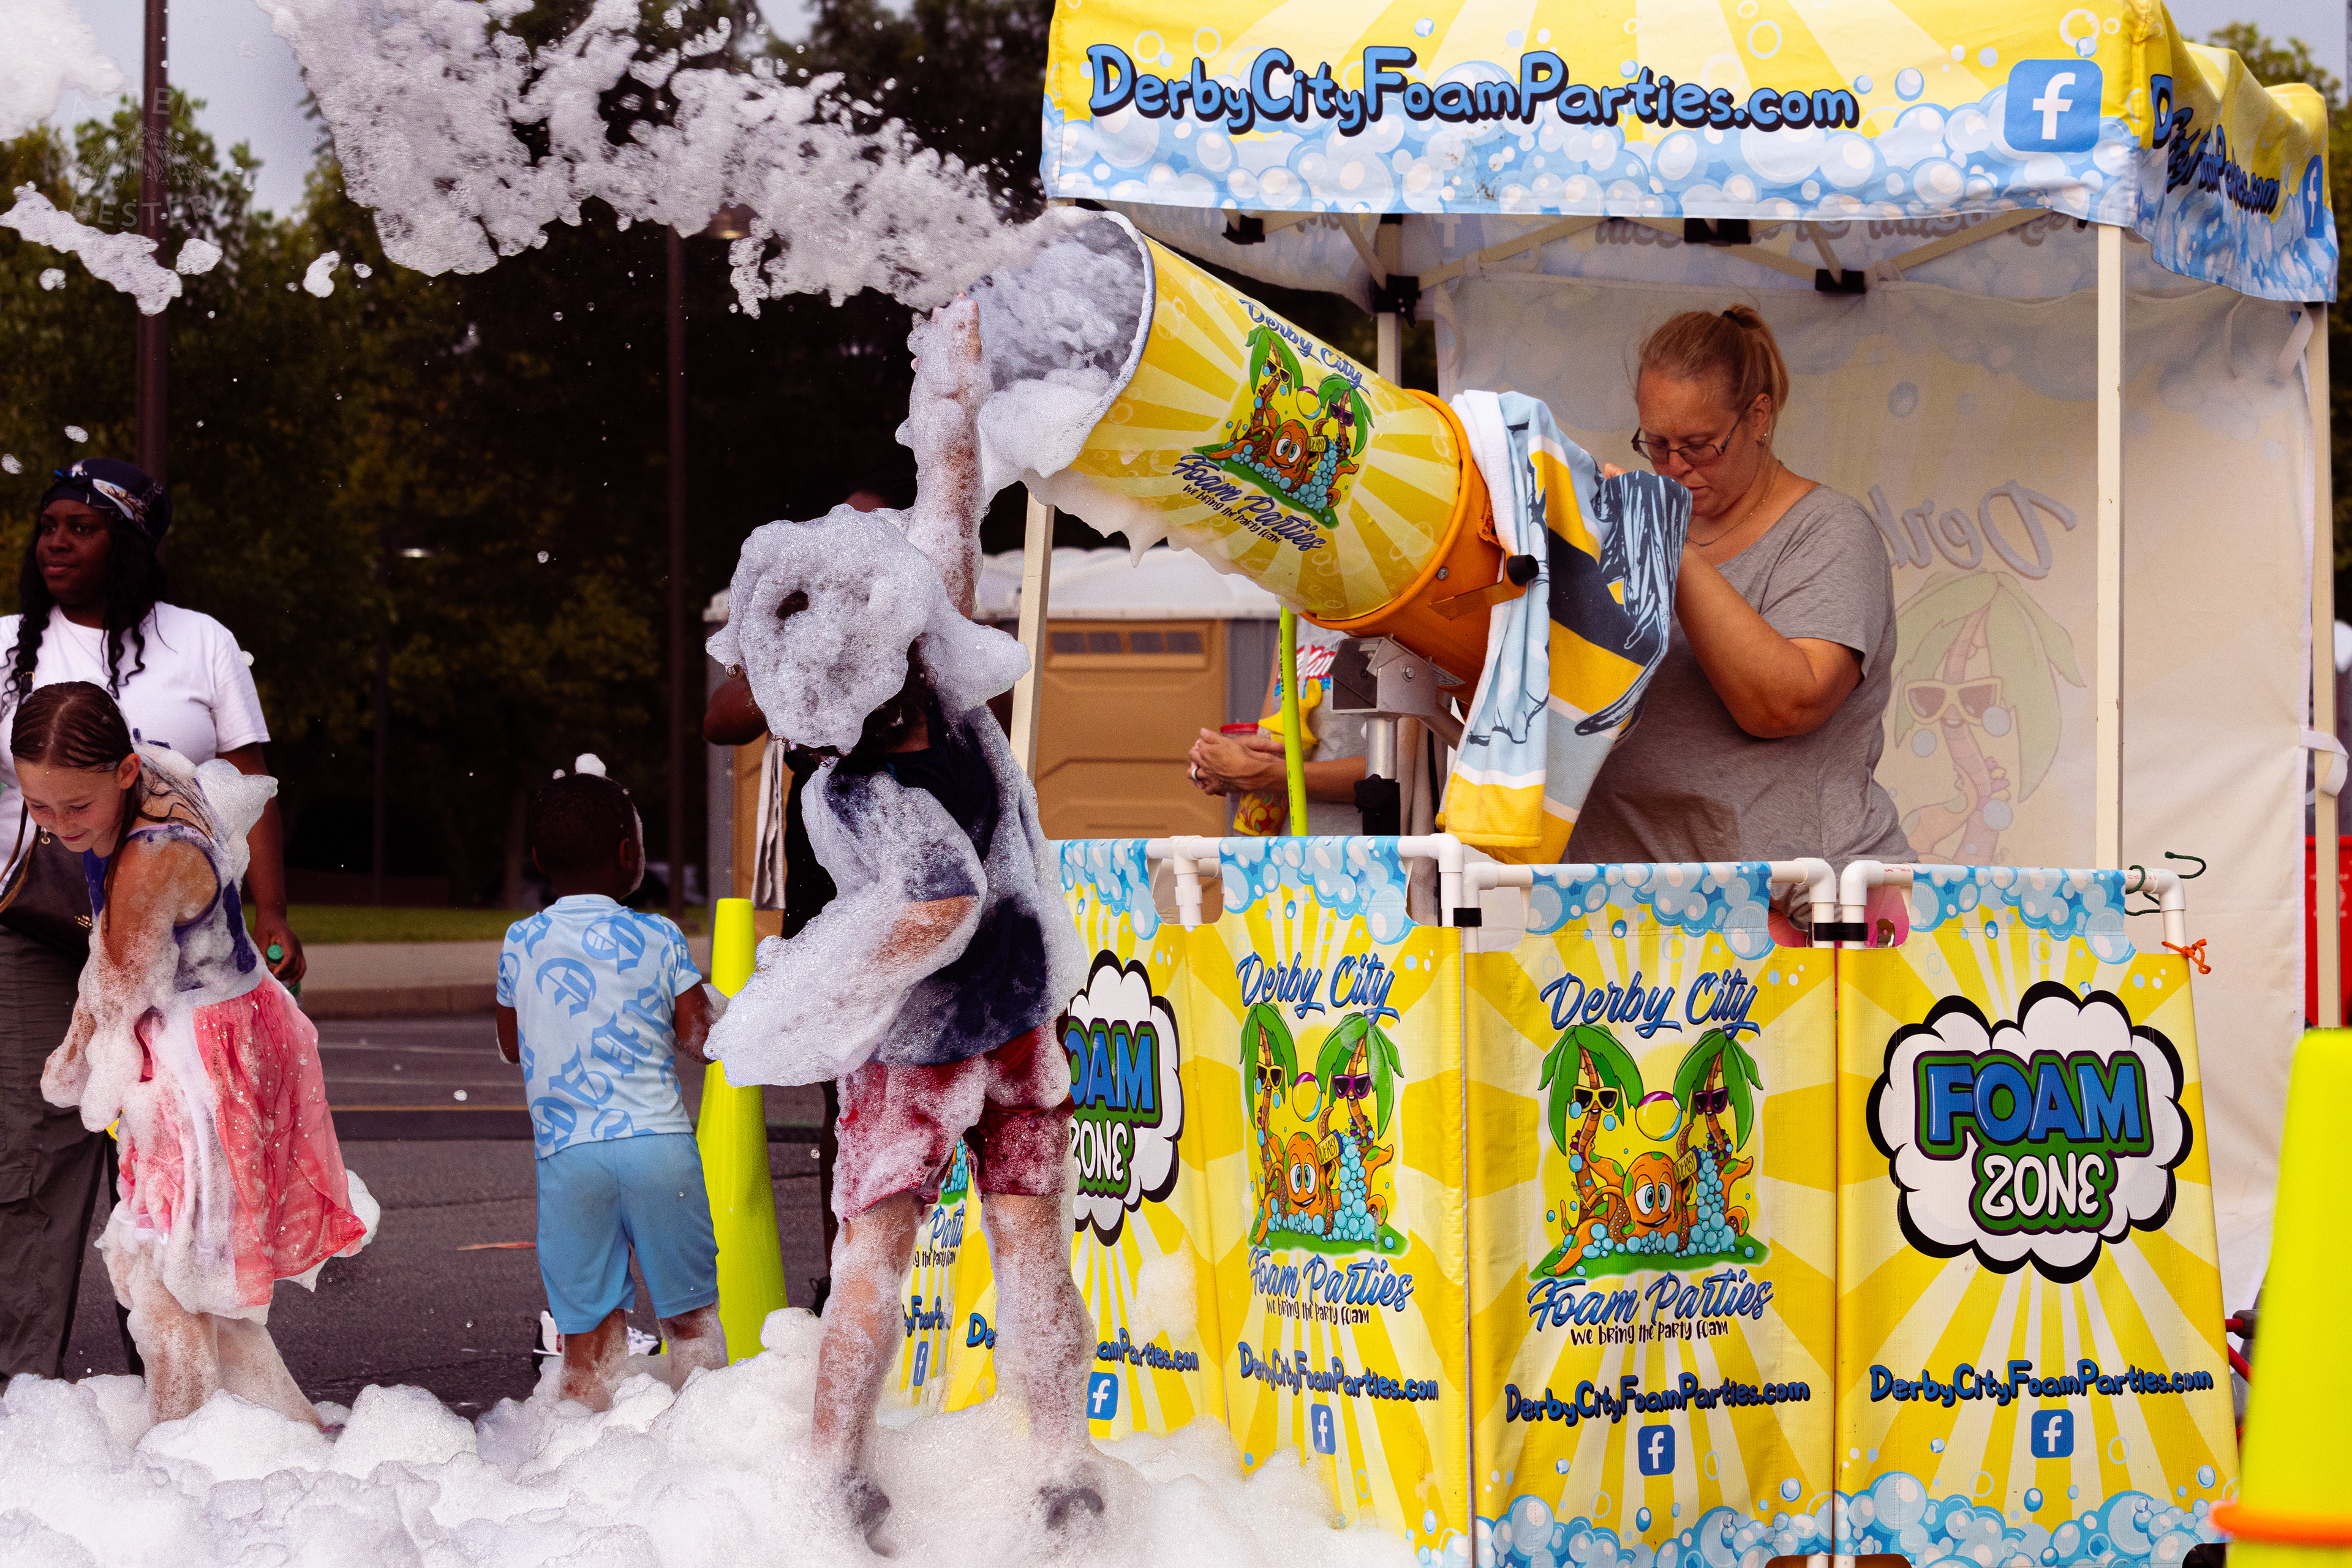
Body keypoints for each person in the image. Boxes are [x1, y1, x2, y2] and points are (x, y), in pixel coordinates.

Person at [702, 297, 1093, 1544]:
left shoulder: (906, 716)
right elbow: (939, 898)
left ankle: (887, 1470)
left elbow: (950, 534)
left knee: (910, 1241)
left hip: (952, 1034)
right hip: (984, 1023)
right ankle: (1016, 1467)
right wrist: (802, 1004)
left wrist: (954, 404)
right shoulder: (907, 738)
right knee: (984, 1239)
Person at [0, 459, 307, 1380]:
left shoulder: (200, 642)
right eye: (48, 524)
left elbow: (249, 786)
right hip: (35, 931)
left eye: (81, 526)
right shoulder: (9, 643)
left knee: (177, 1152)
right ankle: (26, 1394)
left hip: (180, 948)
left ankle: (179, 1383)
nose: (56, 541)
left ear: (130, 543)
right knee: (33, 1150)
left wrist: (277, 913)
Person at [26, 682, 364, 1426]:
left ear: (121, 772)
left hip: (202, 1061)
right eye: (39, 808)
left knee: (163, 1269)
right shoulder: (151, 765)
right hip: (225, 1026)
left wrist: (72, 1064)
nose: (57, 827)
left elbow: (115, 989)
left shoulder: (153, 859)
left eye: (74, 808)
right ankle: (279, 1436)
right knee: (199, 1263)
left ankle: (183, 1453)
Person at [1569, 306, 1909, 867]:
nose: (1674, 468)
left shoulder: (1830, 531)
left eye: (1700, 445)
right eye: (1656, 445)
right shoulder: (1618, 531)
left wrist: (1672, 549)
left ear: (1758, 417)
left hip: (1791, 906)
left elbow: (1788, 703)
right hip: (1622, 898)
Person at [495, 770, 726, 1412]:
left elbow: (511, 1044)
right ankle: (704, 1441)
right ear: (630, 854)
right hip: (659, 1149)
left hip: (570, 1159)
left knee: (587, 1345)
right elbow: (698, 1038)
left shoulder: (521, 941)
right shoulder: (660, 937)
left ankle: (580, 1461)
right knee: (691, 1322)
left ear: (539, 859)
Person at [1183, 622, 1369, 832]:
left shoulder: (1389, 616)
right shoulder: (1296, 622)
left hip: (1355, 849)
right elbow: (1267, 742)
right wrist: (1222, 766)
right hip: (1279, 847)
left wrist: (1265, 774)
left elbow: (1399, 772)